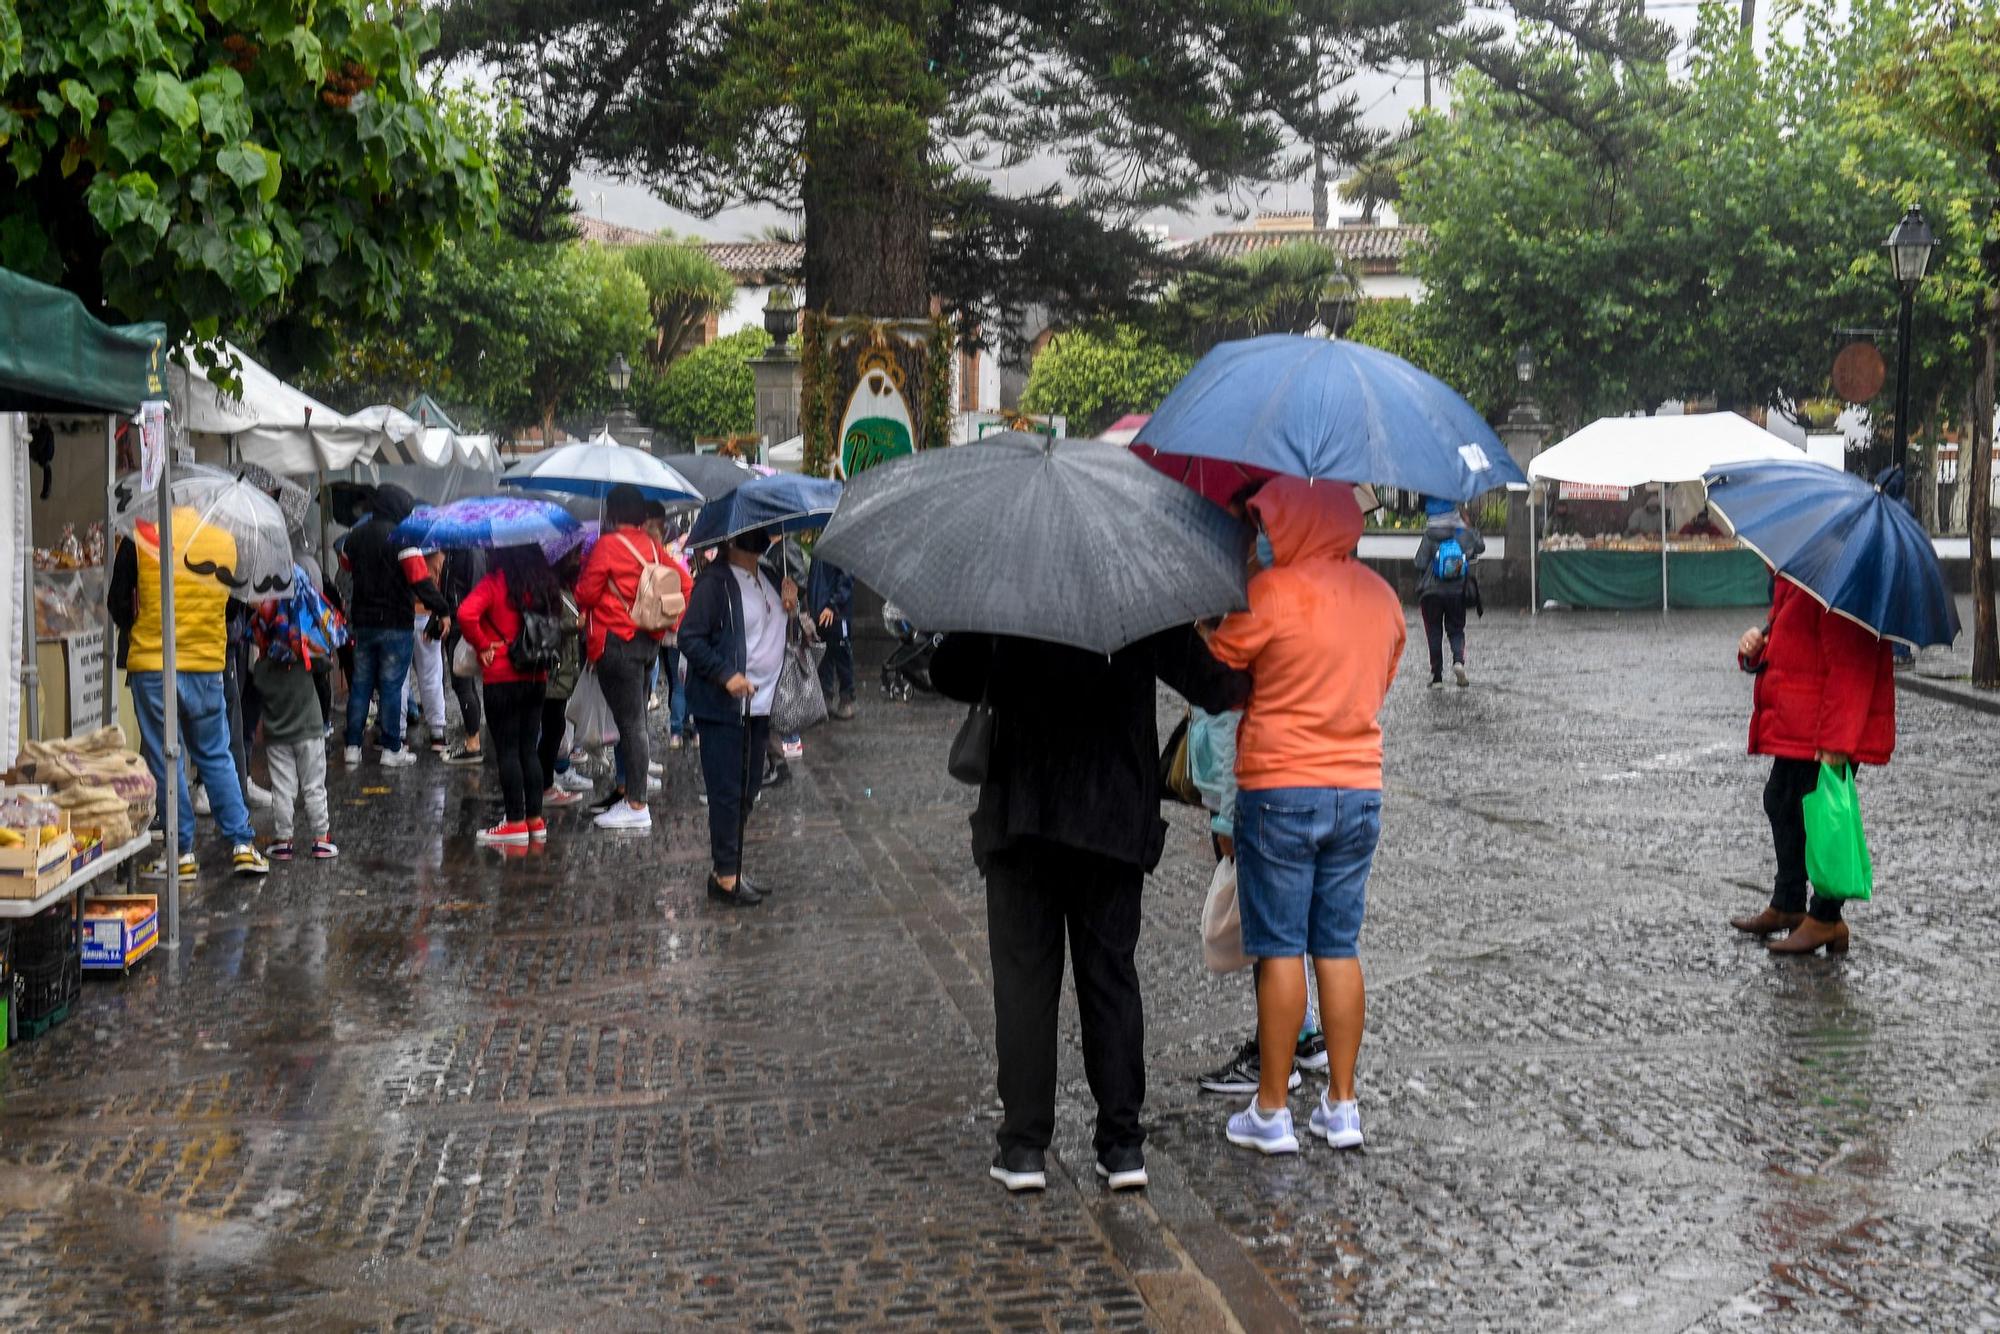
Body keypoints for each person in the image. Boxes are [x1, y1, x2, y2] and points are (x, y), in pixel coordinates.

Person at [932, 629, 1248, 1194]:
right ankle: (1122, 1145)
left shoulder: (1009, 587)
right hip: (1113, 816)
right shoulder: (1132, 593)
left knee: (1024, 982)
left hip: (1023, 814)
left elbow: (947, 674)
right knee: (1111, 978)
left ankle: (1025, 1146)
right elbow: (1213, 683)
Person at [1208, 478, 1404, 1156]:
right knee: (1338, 947)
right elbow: (1383, 675)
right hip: (1358, 790)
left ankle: (1272, 1110)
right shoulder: (1382, 599)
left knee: (1281, 947)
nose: (1262, 532)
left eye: (1266, 521)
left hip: (1280, 788)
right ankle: (1342, 1105)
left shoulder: (1272, 592)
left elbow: (1221, 661)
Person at [1729, 578, 1895, 955]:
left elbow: (1852, 665)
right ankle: (1789, 904)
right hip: (1800, 721)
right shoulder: (1801, 579)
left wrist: (1838, 742)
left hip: (1826, 729)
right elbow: (1791, 641)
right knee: (1781, 801)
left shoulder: (1845, 582)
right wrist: (1754, 650)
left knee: (1822, 822)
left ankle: (1826, 918)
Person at [108, 513, 270, 879]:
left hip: (153, 663)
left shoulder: (142, 535)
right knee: (215, 752)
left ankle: (180, 853)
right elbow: (232, 607)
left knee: (166, 757)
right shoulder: (224, 540)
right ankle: (243, 845)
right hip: (206, 664)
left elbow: (118, 602)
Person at [1190, 704, 1327, 1096]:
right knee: (1283, 922)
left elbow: (1236, 731)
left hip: (1251, 802)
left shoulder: (1236, 646)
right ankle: (1299, 1032)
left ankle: (1274, 1057)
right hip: (1291, 787)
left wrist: (1228, 821)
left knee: (1266, 929)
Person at [680, 527, 795, 905]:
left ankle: (730, 867)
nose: (763, 536)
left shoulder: (771, 576)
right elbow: (690, 638)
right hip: (724, 706)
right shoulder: (714, 584)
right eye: (754, 531)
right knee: (727, 792)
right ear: (732, 538)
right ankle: (725, 874)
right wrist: (725, 674)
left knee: (749, 790)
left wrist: (794, 604)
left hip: (759, 705)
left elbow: (778, 632)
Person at [576, 484, 674, 831]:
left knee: (631, 725)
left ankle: (636, 803)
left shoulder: (608, 546)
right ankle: (630, 794)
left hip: (616, 644)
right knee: (635, 723)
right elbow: (683, 584)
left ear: (614, 512)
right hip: (648, 643)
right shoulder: (652, 546)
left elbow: (585, 592)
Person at [339, 483, 452, 768]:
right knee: (392, 685)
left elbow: (347, 565)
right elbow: (419, 579)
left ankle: (352, 746)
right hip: (395, 622)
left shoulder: (354, 537)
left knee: (362, 685)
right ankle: (392, 748)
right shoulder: (402, 539)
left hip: (363, 622)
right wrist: (442, 608)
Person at [457, 544, 561, 847]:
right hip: (536, 674)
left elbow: (466, 613)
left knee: (507, 750)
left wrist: (482, 644)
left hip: (502, 673)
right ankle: (535, 820)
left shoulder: (496, 581)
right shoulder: (544, 582)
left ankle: (514, 822)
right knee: (529, 748)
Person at [250, 574, 336, 861]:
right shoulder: (303, 658)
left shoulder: (261, 668)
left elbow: (257, 680)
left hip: (278, 736)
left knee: (282, 789)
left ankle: (283, 840)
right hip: (309, 730)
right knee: (314, 785)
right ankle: (321, 838)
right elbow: (325, 659)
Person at [1413, 496, 1485, 689]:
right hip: (1456, 591)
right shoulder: (1461, 532)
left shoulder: (1429, 534)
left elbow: (1419, 562)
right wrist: (1469, 526)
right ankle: (1458, 661)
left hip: (1431, 593)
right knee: (1456, 629)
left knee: (1434, 632)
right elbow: (1480, 547)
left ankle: (1437, 677)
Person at [538, 550, 587, 810]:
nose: (578, 562)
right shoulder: (551, 591)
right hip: (554, 673)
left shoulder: (565, 589)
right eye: (574, 557)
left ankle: (545, 782)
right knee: (552, 729)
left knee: (554, 728)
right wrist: (575, 624)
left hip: (563, 672)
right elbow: (547, 627)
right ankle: (544, 785)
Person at [438, 548, 486, 765]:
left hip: (463, 623)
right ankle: (472, 738)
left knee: (462, 683)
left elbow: (475, 590)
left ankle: (473, 743)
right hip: (457, 621)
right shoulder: (455, 551)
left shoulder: (470, 552)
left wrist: (466, 617)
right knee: (464, 684)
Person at [404, 550, 451, 753]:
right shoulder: (439, 556)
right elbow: (443, 587)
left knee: (400, 679)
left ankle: (397, 734)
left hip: (403, 616)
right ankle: (437, 733)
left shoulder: (402, 550)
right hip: (428, 616)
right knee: (431, 675)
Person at [808, 552, 857, 720]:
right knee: (825, 656)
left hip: (835, 612)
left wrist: (833, 605)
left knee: (841, 653)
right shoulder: (822, 546)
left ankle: (846, 697)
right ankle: (826, 698)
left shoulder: (837, 546)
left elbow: (846, 578)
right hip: (823, 610)